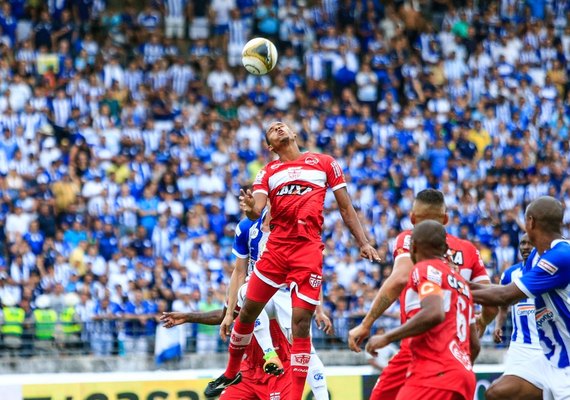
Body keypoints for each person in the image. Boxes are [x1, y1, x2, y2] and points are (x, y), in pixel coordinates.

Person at [204, 121, 380, 399]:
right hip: (275, 251)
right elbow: (257, 210)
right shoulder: (269, 172)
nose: (278, 127)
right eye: (272, 130)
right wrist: (251, 209)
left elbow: (345, 206)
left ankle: (295, 395)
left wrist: (363, 242)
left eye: (282, 126)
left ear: (294, 134)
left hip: (307, 251)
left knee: (301, 325)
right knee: (246, 309)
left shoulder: (324, 163)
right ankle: (231, 371)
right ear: (270, 146)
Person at [162, 206, 331, 399]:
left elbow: (310, 276)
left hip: (280, 371)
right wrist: (187, 317)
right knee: (247, 298)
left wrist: (319, 310)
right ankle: (239, 370)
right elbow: (225, 315)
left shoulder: (284, 288)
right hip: (249, 372)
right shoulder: (247, 288)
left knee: (306, 349)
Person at [348, 188, 495, 400]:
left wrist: (367, 324)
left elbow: (400, 279)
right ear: (445, 218)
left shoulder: (413, 242)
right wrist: (481, 322)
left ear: (412, 218)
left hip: (422, 349)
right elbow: (491, 303)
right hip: (459, 358)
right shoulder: (468, 252)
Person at [366, 220, 480, 400]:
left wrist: (387, 337)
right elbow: (475, 344)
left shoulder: (425, 268)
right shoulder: (462, 285)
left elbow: (433, 313)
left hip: (434, 373)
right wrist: (458, 370)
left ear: (414, 246)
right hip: (463, 375)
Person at [472, 196, 570, 399]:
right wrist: (456, 282)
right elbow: (505, 291)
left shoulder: (561, 255)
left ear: (531, 222)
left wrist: (454, 289)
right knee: (496, 394)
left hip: (567, 362)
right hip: (551, 357)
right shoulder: (537, 257)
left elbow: (505, 295)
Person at [486, 233, 542, 399]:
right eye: (522, 243)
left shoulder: (548, 272)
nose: (525, 247)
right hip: (520, 348)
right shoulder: (510, 274)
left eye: (529, 243)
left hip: (544, 347)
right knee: (501, 393)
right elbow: (503, 305)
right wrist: (498, 325)